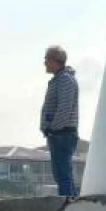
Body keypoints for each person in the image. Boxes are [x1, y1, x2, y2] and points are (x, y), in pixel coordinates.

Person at [40, 45, 79, 201]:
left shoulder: (65, 80)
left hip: (62, 135)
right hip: (59, 134)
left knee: (63, 175)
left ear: (54, 60)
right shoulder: (60, 79)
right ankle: (68, 205)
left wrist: (52, 129)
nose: (44, 63)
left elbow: (64, 109)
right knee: (61, 174)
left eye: (46, 59)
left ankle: (69, 207)